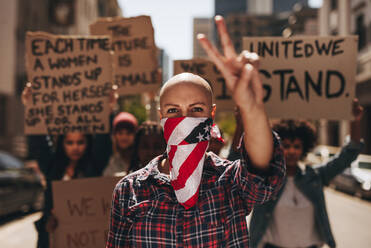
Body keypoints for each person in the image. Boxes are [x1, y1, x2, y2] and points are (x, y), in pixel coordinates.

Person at [106, 15, 285, 247]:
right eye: (173, 110)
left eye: (196, 109)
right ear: (161, 117)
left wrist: (252, 107)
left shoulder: (228, 181)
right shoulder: (130, 190)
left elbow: (262, 172)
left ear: (211, 115)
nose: (184, 120)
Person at [249, 100, 364, 248]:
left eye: (296, 146)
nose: (291, 151)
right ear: (276, 147)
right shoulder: (266, 179)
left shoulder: (315, 176)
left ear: (304, 148)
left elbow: (349, 155)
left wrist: (355, 121)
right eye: (286, 146)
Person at [35, 132, 99, 248]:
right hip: (58, 238)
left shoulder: (93, 169)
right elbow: (41, 143)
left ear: (88, 143)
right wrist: (47, 221)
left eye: (80, 142)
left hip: (87, 238)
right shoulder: (53, 169)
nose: (75, 147)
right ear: (62, 144)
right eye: (70, 143)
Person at [103, 112, 138, 176]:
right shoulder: (112, 160)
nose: (124, 137)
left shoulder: (140, 159)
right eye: (120, 133)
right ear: (114, 135)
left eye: (128, 133)